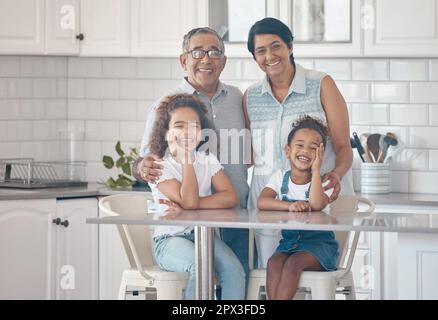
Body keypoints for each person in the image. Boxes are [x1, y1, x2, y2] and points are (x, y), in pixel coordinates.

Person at [132, 27, 252, 277]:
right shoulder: (166, 105)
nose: (206, 59)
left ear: (224, 61)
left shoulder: (236, 97)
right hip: (189, 226)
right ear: (183, 60)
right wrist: (141, 166)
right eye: (197, 52)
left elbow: (248, 153)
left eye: (214, 52)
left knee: (238, 281)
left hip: (237, 216)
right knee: (203, 287)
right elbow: (146, 161)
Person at [244, 17, 354, 268]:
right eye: (260, 51)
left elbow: (343, 147)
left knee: (313, 280)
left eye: (276, 46)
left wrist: (336, 175)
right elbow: (249, 156)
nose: (269, 56)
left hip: (320, 203)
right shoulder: (251, 97)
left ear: (290, 47)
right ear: (255, 57)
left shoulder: (321, 84)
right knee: (269, 272)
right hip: (270, 208)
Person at [149, 94, 245, 300]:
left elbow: (229, 197)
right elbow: (190, 200)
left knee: (234, 270)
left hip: (204, 238)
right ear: (166, 133)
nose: (187, 132)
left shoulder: (208, 159)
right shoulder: (160, 167)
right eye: (179, 125)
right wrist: (186, 159)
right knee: (200, 267)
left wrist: (191, 207)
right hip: (169, 240)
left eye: (194, 126)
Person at [258, 116, 339, 300]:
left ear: (321, 153)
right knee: (274, 262)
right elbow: (262, 201)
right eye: (300, 145)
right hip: (289, 244)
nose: (305, 151)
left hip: (320, 247)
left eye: (313, 148)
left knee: (293, 264)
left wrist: (317, 171)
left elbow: (317, 204)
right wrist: (290, 206)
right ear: (288, 150)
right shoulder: (279, 177)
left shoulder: (325, 181)